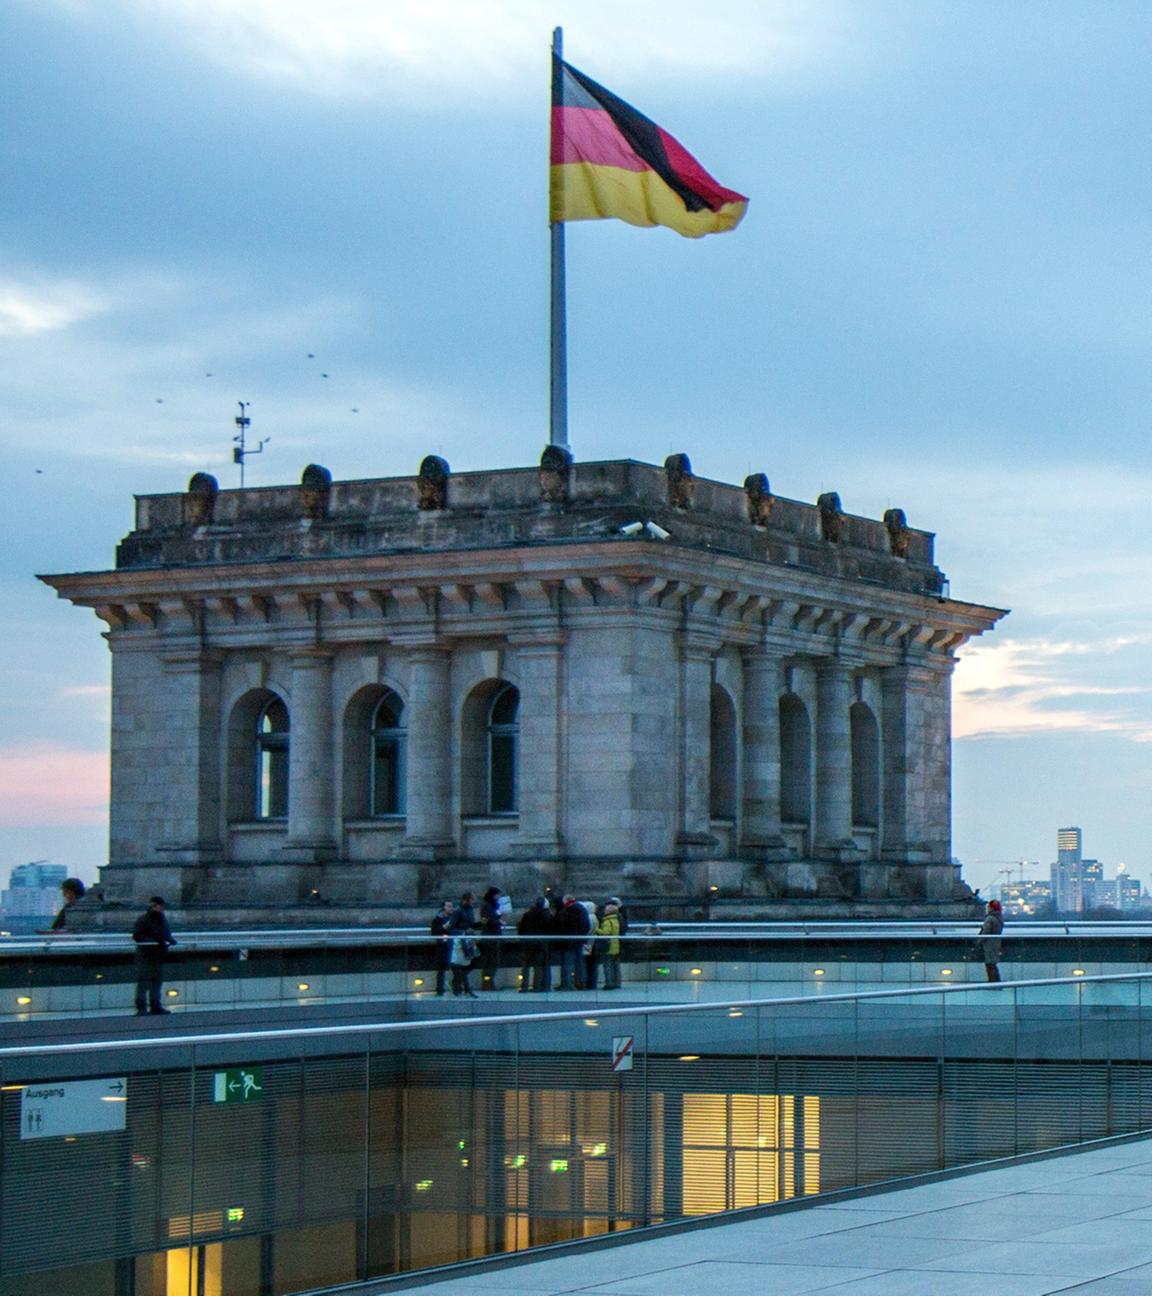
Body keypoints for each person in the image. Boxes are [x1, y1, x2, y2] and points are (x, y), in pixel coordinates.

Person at [132, 896, 177, 1015]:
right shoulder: (146, 919)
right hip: (147, 955)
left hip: (156, 955)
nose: (162, 908)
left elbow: (165, 934)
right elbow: (137, 936)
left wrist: (169, 940)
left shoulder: (156, 919)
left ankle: (153, 1005)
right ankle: (143, 1007)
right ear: (156, 906)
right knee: (145, 982)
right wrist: (158, 941)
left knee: (154, 982)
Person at [553, 895, 589, 990]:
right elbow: (587, 926)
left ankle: (567, 984)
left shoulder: (566, 912)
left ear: (566, 901)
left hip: (568, 942)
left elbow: (561, 927)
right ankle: (581, 983)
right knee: (580, 963)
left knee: (567, 963)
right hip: (580, 941)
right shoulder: (583, 910)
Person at [517, 897, 552, 992]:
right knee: (538, 967)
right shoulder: (547, 915)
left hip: (527, 943)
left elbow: (521, 928)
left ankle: (524, 986)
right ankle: (537, 986)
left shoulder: (528, 914)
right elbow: (550, 929)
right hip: (541, 944)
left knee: (525, 966)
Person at [478, 886, 505, 990]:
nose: (499, 897)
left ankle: (488, 982)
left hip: (491, 936)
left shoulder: (488, 905)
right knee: (492, 961)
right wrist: (498, 921)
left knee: (490, 961)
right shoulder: (488, 906)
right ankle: (488, 983)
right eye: (498, 895)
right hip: (491, 937)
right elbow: (488, 920)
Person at [430, 899, 455, 996]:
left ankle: (456, 988)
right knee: (441, 969)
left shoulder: (453, 918)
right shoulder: (437, 919)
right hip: (442, 947)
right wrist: (443, 928)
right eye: (448, 906)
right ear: (444, 908)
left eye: (451, 906)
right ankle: (440, 990)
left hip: (452, 944)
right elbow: (434, 932)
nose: (450, 908)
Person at [596, 901, 623, 989]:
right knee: (615, 965)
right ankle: (617, 982)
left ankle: (609, 983)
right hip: (616, 946)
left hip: (608, 946)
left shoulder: (607, 921)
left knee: (607, 965)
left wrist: (596, 929)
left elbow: (605, 933)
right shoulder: (615, 920)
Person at [978, 898, 1004, 982]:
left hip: (989, 944)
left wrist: (978, 942)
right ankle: (996, 982)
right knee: (993, 964)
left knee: (990, 965)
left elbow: (986, 932)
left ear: (991, 908)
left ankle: (992, 982)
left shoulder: (989, 919)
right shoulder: (999, 918)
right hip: (996, 943)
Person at [449, 927, 479, 998]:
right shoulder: (459, 938)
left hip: (464, 962)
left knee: (462, 976)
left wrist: (473, 947)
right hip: (456, 961)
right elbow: (460, 948)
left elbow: (476, 952)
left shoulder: (471, 939)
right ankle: (464, 991)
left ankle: (463, 989)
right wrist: (469, 946)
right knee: (462, 976)